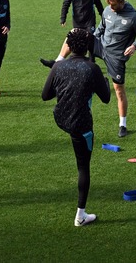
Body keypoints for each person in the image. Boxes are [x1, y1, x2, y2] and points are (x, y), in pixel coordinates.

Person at [41, 29, 111, 227]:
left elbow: (45, 96)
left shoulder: (58, 67)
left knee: (77, 144)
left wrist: (65, 85)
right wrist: (104, 81)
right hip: (80, 124)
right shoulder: (92, 69)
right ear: (88, 47)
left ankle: (82, 214)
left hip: (61, 118)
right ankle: (80, 215)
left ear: (69, 47)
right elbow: (106, 98)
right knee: (83, 167)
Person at [93, 0, 136, 138]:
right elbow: (101, 28)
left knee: (118, 90)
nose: (111, 8)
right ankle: (59, 60)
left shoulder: (133, 17)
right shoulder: (107, 10)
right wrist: (90, 38)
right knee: (75, 35)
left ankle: (122, 124)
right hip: (101, 46)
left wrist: (135, 45)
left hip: (116, 56)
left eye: (114, 5)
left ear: (122, 2)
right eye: (110, 5)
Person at [40, 0, 104, 67]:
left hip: (89, 21)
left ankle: (91, 62)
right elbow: (66, 4)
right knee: (74, 40)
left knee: (90, 38)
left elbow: (98, 4)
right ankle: (60, 62)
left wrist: (103, 17)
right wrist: (63, 18)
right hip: (77, 21)